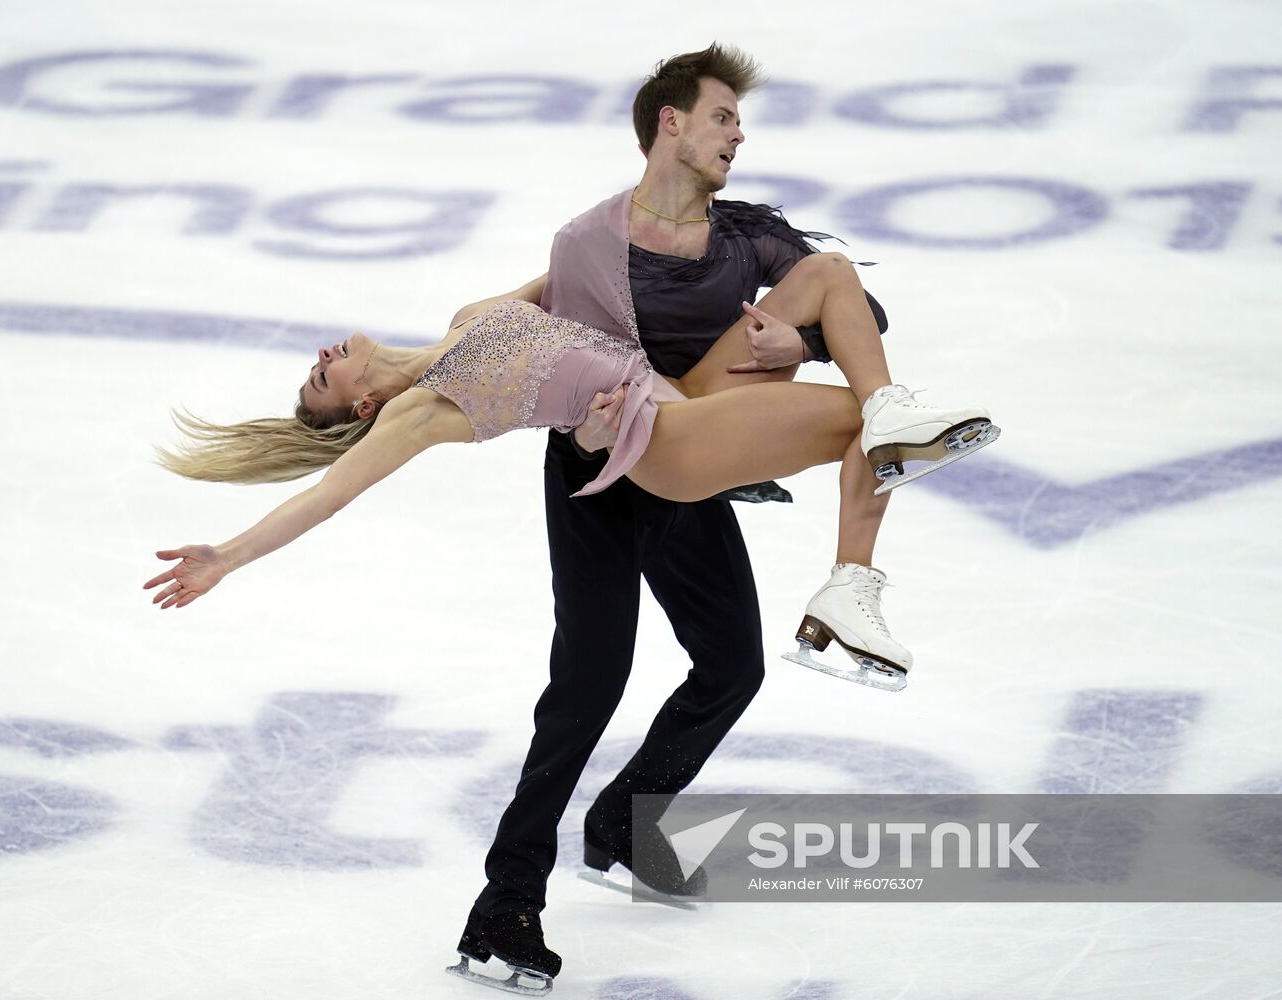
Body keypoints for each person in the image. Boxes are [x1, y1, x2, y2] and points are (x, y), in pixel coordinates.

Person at [146, 44, 996, 995]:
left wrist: (778, 343)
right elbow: (332, 494)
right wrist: (228, 552)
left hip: (677, 417)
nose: (323, 354)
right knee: (587, 687)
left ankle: (626, 825)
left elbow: (578, 312)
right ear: (356, 409)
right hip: (604, 472)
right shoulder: (425, 409)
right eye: (321, 376)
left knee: (733, 664)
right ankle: (505, 904)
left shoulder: (472, 317)